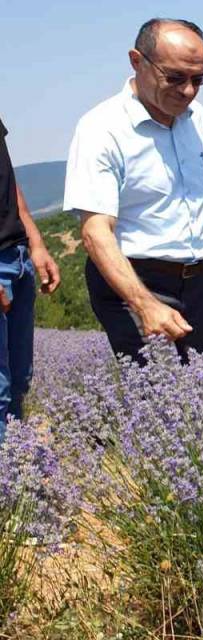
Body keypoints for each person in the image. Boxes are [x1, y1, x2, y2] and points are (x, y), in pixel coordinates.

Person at [65, 18, 203, 362]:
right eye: (174, 77)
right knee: (158, 391)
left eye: (198, 79)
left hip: (199, 281)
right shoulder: (101, 128)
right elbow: (95, 232)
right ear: (137, 61)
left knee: (202, 390)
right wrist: (145, 304)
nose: (188, 91)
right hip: (136, 283)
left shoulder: (197, 117)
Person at [0, 118, 62, 438]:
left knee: (19, 380)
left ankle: (13, 460)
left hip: (17, 255)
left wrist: (35, 242)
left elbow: (7, 178)